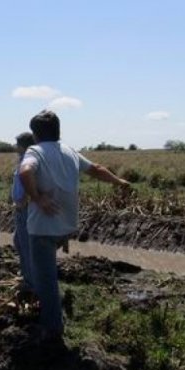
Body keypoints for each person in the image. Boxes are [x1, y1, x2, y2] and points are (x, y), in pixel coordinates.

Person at [19, 110, 130, 338]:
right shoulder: (70, 151)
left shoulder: (35, 151)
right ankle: (52, 314)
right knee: (48, 273)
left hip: (42, 228)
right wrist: (119, 182)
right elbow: (96, 169)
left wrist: (38, 198)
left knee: (45, 280)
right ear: (58, 131)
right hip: (67, 226)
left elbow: (25, 170)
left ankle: (52, 329)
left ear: (36, 134)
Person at [12, 132, 35, 292]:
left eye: (17, 144)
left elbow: (31, 179)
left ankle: (30, 281)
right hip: (21, 207)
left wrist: (24, 200)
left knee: (26, 245)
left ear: (23, 145)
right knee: (19, 242)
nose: (15, 147)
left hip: (25, 208)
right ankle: (27, 273)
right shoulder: (22, 159)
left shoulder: (29, 160)